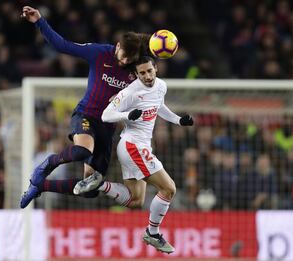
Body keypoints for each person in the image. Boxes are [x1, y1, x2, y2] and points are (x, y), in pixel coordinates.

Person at [20, 6, 149, 208]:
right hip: (86, 114)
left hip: (107, 127)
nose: (124, 61)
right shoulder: (100, 53)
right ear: (117, 46)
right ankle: (46, 164)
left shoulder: (138, 71)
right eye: (123, 55)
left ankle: (41, 186)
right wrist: (39, 21)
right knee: (81, 150)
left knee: (89, 190)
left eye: (129, 59)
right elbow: (62, 45)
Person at [74, 56, 194, 253]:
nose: (147, 76)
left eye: (149, 71)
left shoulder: (161, 86)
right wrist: (126, 115)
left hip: (138, 147)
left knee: (136, 200)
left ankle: (99, 183)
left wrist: (179, 121)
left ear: (156, 68)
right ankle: (152, 233)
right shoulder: (130, 92)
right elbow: (106, 114)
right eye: (142, 73)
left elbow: (159, 107)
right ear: (136, 75)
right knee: (169, 189)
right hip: (133, 146)